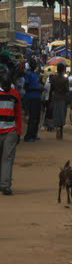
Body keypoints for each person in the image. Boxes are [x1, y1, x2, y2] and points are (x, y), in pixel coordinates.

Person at [0, 63, 22, 195]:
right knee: (4, 159)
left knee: (7, 159)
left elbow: (18, 114)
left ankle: (5, 185)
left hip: (10, 132)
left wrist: (18, 132)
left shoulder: (15, 94)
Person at [23, 59, 43, 142]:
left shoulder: (35, 74)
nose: (35, 65)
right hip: (31, 97)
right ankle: (29, 136)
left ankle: (34, 134)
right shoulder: (28, 74)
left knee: (37, 117)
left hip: (37, 97)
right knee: (32, 117)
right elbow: (26, 86)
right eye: (33, 64)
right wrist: (36, 88)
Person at [49, 63, 69, 140]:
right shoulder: (65, 79)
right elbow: (67, 90)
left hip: (55, 98)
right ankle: (61, 130)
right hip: (63, 98)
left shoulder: (53, 78)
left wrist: (50, 100)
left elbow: (51, 90)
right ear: (63, 69)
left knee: (56, 114)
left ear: (57, 69)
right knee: (62, 114)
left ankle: (57, 128)